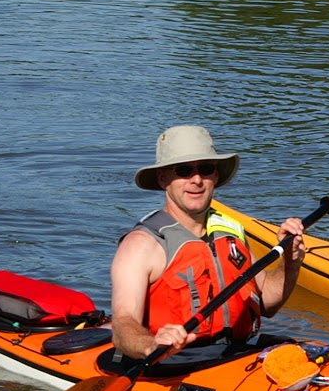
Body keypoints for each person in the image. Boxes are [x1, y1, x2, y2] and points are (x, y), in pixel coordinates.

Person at [110, 125, 306, 361]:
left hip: (236, 355)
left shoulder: (231, 232)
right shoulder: (141, 245)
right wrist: (151, 344)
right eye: (183, 170)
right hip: (172, 364)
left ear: (216, 176)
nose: (196, 180)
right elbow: (122, 325)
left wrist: (290, 261)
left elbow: (267, 304)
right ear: (163, 179)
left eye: (205, 169)